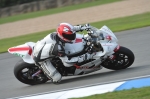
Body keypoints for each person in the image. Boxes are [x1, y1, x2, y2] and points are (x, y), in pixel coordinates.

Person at [32, 22, 104, 83]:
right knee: (57, 79)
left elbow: (72, 29)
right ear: (62, 35)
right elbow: (67, 63)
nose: (72, 36)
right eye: (69, 36)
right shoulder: (58, 48)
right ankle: (45, 72)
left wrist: (83, 27)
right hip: (40, 58)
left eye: (71, 35)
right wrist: (86, 56)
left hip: (44, 48)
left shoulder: (58, 34)